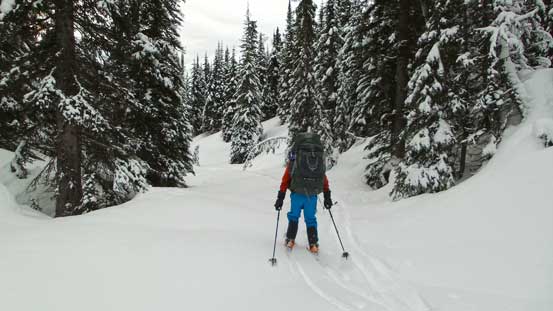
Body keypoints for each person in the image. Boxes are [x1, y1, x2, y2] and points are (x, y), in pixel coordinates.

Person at [274, 134, 333, 254]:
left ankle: (290, 239)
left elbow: (285, 180)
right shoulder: (317, 164)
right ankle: (313, 244)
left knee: (294, 216)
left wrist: (280, 197)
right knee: (310, 219)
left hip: (297, 194)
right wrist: (327, 196)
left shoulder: (295, 162)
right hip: (312, 196)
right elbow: (324, 179)